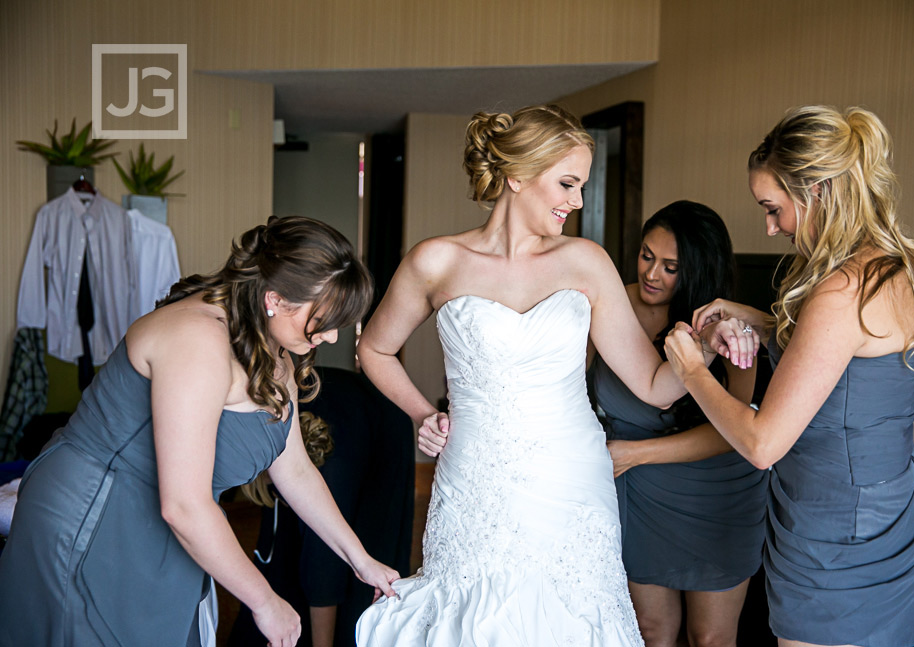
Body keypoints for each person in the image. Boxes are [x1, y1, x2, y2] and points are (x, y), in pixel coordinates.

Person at [353, 105, 752, 647]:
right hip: (474, 476)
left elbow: (655, 385)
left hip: (571, 481)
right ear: (517, 175)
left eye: (582, 185)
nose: (578, 201)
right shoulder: (435, 261)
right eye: (567, 183)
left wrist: (704, 346)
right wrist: (424, 411)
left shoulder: (585, 262)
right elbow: (374, 350)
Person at [0, 216, 399, 647]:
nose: (334, 336)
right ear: (275, 299)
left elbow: (296, 469)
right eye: (323, 319)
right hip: (92, 520)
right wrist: (265, 602)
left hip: (171, 525)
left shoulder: (277, 358)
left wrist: (360, 559)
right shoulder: (196, 339)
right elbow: (184, 506)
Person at [665, 106, 914, 647]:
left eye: (773, 208)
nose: (770, 226)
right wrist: (756, 320)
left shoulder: (840, 290)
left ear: (815, 191)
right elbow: (847, 361)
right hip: (891, 507)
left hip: (836, 532)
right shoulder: (888, 266)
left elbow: (762, 443)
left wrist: (693, 370)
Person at [588, 200, 768, 647]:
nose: (652, 273)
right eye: (647, 255)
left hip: (717, 490)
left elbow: (738, 431)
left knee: (710, 637)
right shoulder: (606, 306)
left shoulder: (727, 327)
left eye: (671, 266)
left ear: (697, 270)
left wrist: (635, 453)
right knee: (650, 632)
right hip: (637, 493)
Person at [228, 366, 414, 647]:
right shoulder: (275, 410)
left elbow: (322, 572)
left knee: (362, 545)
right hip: (350, 409)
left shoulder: (329, 467)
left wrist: (362, 562)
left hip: (378, 425)